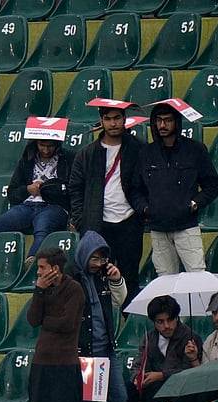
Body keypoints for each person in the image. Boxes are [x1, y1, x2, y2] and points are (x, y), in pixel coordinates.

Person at [130, 102, 218, 276]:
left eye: (168, 120)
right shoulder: (145, 153)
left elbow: (213, 184)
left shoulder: (195, 150)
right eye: (159, 120)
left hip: (186, 227)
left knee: (198, 277)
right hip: (158, 230)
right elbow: (135, 190)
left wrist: (195, 203)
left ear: (177, 122)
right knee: (165, 281)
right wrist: (146, 208)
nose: (162, 125)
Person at [69, 100, 144, 302]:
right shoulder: (87, 153)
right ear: (101, 121)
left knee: (130, 277)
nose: (113, 123)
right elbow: (75, 188)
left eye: (117, 118)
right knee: (99, 280)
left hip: (129, 222)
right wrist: (80, 218)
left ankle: (130, 325)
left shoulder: (138, 148)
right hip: (98, 224)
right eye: (108, 119)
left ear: (124, 120)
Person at [0, 126, 75, 267]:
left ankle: (30, 265)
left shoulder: (69, 159)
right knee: (0, 224)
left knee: (43, 229)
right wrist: (28, 189)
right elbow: (12, 193)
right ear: (35, 143)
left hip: (54, 207)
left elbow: (74, 190)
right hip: (27, 206)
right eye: (42, 145)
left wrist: (54, 190)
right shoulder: (27, 160)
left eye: (50, 146)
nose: (46, 150)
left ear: (57, 144)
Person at [72, 232, 129, 402]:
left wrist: (116, 279)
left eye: (102, 259)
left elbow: (118, 301)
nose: (98, 264)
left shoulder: (104, 277)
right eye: (94, 259)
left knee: (119, 398)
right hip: (85, 352)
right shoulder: (72, 278)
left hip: (106, 351)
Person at [27, 247, 85, 402]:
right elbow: (33, 319)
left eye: (42, 268)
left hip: (65, 364)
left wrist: (45, 318)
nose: (39, 272)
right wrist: (39, 291)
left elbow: (66, 324)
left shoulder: (74, 289)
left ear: (56, 268)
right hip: (41, 362)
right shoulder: (42, 290)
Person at [132, 295, 204, 402]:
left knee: (184, 386)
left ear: (177, 318)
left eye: (170, 320)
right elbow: (138, 364)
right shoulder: (149, 338)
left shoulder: (191, 337)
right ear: (153, 322)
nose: (166, 326)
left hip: (179, 389)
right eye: (160, 321)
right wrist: (137, 378)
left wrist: (161, 375)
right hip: (152, 386)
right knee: (127, 390)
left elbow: (189, 372)